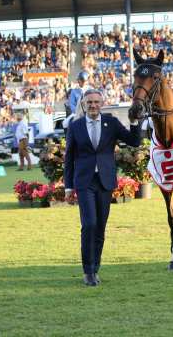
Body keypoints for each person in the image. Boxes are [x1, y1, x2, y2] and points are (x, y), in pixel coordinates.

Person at [64, 89, 141, 286]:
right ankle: (87, 271)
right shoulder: (76, 126)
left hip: (105, 181)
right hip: (84, 182)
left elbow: (134, 141)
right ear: (84, 104)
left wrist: (134, 122)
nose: (93, 105)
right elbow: (69, 158)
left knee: (100, 227)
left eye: (97, 102)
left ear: (102, 103)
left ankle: (95, 268)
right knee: (89, 224)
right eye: (90, 102)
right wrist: (68, 187)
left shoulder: (111, 123)